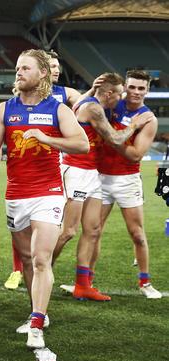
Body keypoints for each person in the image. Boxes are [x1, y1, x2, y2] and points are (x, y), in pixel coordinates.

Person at [0, 49, 88, 349]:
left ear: (42, 73)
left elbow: (82, 144)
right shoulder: (4, 110)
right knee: (27, 259)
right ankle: (35, 311)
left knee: (41, 258)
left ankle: (37, 323)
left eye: (25, 68)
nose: (18, 72)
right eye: (17, 67)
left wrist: (46, 138)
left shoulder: (59, 110)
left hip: (49, 194)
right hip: (16, 195)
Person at [52, 72, 153, 301]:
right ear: (109, 94)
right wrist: (134, 124)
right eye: (120, 94)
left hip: (92, 174)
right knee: (68, 231)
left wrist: (90, 89)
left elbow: (78, 103)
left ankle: (83, 284)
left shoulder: (94, 103)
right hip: (76, 171)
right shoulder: (95, 109)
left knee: (94, 230)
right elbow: (116, 139)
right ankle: (42, 270)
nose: (122, 98)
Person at [95, 70, 161, 299]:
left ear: (147, 91)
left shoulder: (149, 119)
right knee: (93, 232)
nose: (135, 92)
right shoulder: (112, 104)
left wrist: (110, 136)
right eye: (132, 87)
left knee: (137, 234)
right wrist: (125, 130)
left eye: (141, 88)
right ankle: (86, 281)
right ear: (125, 87)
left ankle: (145, 282)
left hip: (127, 180)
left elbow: (134, 155)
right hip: (99, 177)